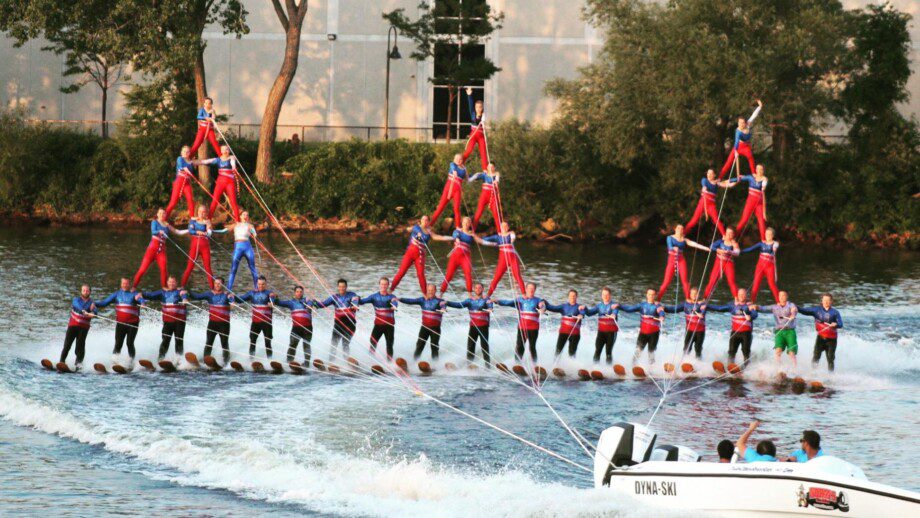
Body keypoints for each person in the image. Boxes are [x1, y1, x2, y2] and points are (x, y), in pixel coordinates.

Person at [132, 208, 186, 289]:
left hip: (161, 251)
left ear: (165, 215)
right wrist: (159, 231)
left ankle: (164, 288)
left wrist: (190, 230)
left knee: (164, 270)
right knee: (142, 269)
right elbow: (153, 231)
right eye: (160, 213)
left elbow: (178, 232)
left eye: (163, 213)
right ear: (157, 214)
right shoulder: (154, 222)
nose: (162, 215)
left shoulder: (167, 225)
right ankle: (133, 287)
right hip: (152, 250)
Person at [96, 278, 145, 364]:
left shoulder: (134, 294)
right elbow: (104, 303)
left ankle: (131, 362)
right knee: (118, 343)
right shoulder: (116, 294)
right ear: (121, 284)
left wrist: (142, 303)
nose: (125, 285)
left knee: (129, 343)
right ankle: (114, 362)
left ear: (129, 284)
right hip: (120, 324)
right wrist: (92, 303)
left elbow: (141, 299)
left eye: (126, 283)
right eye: (123, 283)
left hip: (133, 324)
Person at [446, 282, 494, 366]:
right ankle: (469, 364)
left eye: (480, 288)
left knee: (484, 346)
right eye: (476, 288)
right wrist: (448, 303)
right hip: (473, 327)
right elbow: (459, 305)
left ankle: (488, 365)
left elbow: (490, 305)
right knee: (470, 346)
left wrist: (490, 308)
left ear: (482, 289)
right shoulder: (469, 301)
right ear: (474, 289)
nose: (478, 289)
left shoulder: (486, 299)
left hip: (484, 327)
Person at [657, 224, 709, 301]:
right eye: (678, 228)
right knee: (666, 281)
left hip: (681, 260)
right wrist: (674, 248)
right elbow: (669, 246)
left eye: (682, 229)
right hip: (672, 259)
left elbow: (695, 244)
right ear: (675, 229)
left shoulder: (685, 240)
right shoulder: (670, 238)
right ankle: (658, 299)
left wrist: (706, 248)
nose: (680, 230)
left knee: (685, 281)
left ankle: (688, 299)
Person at [496, 282, 546, 362]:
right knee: (519, 346)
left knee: (532, 347)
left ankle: (535, 365)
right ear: (526, 289)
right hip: (522, 328)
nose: (531, 290)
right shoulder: (520, 300)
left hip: (533, 329)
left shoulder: (538, 300)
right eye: (529, 288)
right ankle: (517, 364)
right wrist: (496, 301)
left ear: (535, 290)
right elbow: (507, 303)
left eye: (533, 289)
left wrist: (542, 308)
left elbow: (542, 305)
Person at [142, 276, 189, 361]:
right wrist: (140, 295)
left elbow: (184, 295)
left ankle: (179, 360)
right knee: (165, 341)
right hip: (167, 322)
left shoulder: (180, 292)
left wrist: (185, 299)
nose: (171, 284)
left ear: (176, 283)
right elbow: (150, 295)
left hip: (179, 322)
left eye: (173, 282)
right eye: (170, 282)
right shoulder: (162, 293)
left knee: (179, 341)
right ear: (167, 283)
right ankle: (160, 359)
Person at [190, 276, 234, 363]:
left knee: (224, 344)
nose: (217, 285)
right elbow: (197, 297)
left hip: (224, 324)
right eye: (216, 283)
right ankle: (205, 360)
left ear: (223, 285)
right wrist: (187, 292)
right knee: (208, 343)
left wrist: (232, 302)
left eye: (219, 284)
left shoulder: (227, 295)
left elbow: (232, 301)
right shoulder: (209, 294)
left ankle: (226, 362)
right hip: (212, 324)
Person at [709, 288, 758, 365]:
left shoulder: (750, 306)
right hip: (735, 333)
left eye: (743, 294)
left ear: (746, 296)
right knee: (731, 351)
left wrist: (750, 317)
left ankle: (746, 368)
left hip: (746, 334)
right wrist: (706, 306)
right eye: (740, 294)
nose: (741, 296)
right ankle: (730, 366)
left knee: (745, 351)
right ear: (737, 296)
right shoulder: (732, 306)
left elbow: (755, 314)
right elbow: (719, 308)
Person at [400, 284, 448, 360]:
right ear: (427, 291)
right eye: (429, 290)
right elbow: (411, 301)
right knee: (419, 345)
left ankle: (435, 364)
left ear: (435, 291)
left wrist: (443, 309)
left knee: (434, 347)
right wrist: (399, 299)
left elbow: (443, 306)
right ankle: (415, 361)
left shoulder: (440, 301)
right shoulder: (422, 300)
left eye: (432, 290)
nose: (430, 292)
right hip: (424, 328)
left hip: (435, 329)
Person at [181, 205, 224, 289]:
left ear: (206, 213)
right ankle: (182, 286)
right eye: (200, 211)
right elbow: (190, 231)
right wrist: (197, 232)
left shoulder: (207, 222)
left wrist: (208, 229)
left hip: (205, 247)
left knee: (208, 268)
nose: (201, 213)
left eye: (204, 212)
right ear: (198, 212)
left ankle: (212, 288)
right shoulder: (193, 221)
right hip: (195, 246)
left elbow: (209, 233)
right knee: (189, 267)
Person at [719, 100, 763, 179]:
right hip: (738, 147)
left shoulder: (748, 125)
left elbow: (754, 115)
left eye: (742, 123)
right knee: (729, 162)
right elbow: (736, 142)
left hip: (746, 147)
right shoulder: (738, 131)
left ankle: (753, 173)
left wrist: (759, 107)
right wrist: (735, 151)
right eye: (739, 123)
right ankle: (719, 177)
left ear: (745, 123)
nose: (741, 124)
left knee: (750, 156)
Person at [317, 279, 360, 360]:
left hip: (350, 325)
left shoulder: (352, 295)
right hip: (338, 325)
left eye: (343, 286)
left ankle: (348, 363)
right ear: (338, 287)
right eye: (340, 286)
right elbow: (323, 304)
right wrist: (314, 303)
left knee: (345, 344)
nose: (342, 288)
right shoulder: (334, 297)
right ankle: (331, 363)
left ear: (346, 287)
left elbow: (355, 301)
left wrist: (354, 305)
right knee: (333, 344)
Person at [620, 289, 666, 364]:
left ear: (655, 296)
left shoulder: (658, 306)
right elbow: (629, 309)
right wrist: (619, 306)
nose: (651, 296)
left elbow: (661, 312)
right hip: (643, 333)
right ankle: (633, 366)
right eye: (649, 294)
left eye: (652, 294)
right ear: (647, 295)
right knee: (637, 351)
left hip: (654, 334)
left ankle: (652, 369)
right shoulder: (642, 305)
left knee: (651, 353)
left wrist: (662, 316)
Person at [357, 277, 399, 359]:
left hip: (389, 326)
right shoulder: (374, 297)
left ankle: (390, 362)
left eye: (385, 284)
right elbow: (362, 302)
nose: (383, 286)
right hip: (378, 325)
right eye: (382, 284)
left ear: (388, 285)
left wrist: (394, 306)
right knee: (372, 342)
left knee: (389, 345)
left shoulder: (392, 297)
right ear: (379, 285)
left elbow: (395, 302)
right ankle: (371, 360)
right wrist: (357, 299)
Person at [799, 294, 843, 372]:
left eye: (828, 300)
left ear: (831, 301)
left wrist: (835, 324)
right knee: (816, 356)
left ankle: (831, 376)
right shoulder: (816, 310)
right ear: (821, 301)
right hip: (820, 338)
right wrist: (793, 306)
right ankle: (813, 372)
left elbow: (841, 324)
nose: (826, 302)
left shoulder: (835, 312)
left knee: (830, 358)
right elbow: (803, 311)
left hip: (831, 340)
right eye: (824, 300)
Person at [391, 216, 435, 292]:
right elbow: (413, 230)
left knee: (421, 275)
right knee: (401, 272)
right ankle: (391, 290)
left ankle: (425, 294)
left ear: (428, 222)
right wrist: (418, 234)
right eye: (423, 220)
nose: (425, 221)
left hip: (420, 255)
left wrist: (451, 238)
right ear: (420, 221)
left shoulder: (429, 232)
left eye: (426, 220)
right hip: (410, 254)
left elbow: (437, 237)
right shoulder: (416, 227)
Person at [482, 221, 527, 297]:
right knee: (496, 278)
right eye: (502, 226)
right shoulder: (498, 237)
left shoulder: (511, 234)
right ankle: (488, 295)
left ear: (508, 227)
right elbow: (486, 239)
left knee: (517, 276)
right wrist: (477, 238)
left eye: (506, 226)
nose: (504, 228)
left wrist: (511, 240)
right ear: (500, 228)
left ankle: (524, 294)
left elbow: (513, 237)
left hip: (513, 259)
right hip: (503, 260)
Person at [275, 285, 318, 363]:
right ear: (294, 293)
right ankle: (289, 362)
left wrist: (310, 305)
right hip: (296, 328)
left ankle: (307, 363)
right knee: (292, 345)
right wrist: (275, 297)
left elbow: (311, 302)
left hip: (307, 328)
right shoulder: (291, 303)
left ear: (303, 293)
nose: (299, 293)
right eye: (297, 292)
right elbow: (279, 303)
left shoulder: (307, 300)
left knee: (306, 345)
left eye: (301, 292)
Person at [60, 284, 98, 370]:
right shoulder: (76, 300)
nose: (85, 292)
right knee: (67, 345)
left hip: (83, 329)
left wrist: (93, 313)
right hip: (73, 326)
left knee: (79, 348)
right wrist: (83, 310)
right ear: (81, 291)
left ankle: (78, 365)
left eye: (87, 290)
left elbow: (95, 310)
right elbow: (77, 305)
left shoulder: (92, 303)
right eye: (84, 290)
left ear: (90, 292)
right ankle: (61, 362)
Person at [664, 286, 708, 359]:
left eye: (695, 294)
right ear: (690, 294)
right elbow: (675, 309)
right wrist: (664, 308)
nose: (694, 295)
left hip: (700, 332)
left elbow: (703, 312)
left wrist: (700, 309)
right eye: (692, 293)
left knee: (698, 349)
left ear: (698, 295)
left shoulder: (702, 304)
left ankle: (699, 363)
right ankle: (684, 361)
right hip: (689, 331)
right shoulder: (686, 304)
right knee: (686, 348)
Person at [685, 169, 732, 236]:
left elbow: (727, 184)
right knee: (694, 220)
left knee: (717, 220)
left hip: (711, 205)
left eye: (711, 173)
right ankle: (684, 233)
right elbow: (704, 184)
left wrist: (736, 181)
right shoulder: (705, 180)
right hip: (703, 203)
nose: (709, 175)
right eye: (708, 173)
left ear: (714, 175)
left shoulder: (717, 183)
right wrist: (704, 187)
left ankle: (724, 235)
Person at [238, 276, 277, 358]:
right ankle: (251, 359)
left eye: (263, 284)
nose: (261, 286)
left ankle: (270, 360)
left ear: (265, 284)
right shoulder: (252, 293)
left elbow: (273, 299)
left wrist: (272, 303)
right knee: (252, 341)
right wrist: (231, 296)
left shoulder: (270, 293)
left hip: (267, 323)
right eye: (259, 284)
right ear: (257, 284)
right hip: (255, 323)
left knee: (268, 342)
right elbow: (240, 299)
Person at [200, 145, 241, 221]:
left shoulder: (232, 158)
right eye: (223, 150)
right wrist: (193, 162)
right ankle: (209, 219)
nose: (225, 151)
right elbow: (206, 161)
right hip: (220, 183)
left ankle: (238, 221)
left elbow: (233, 163)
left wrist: (234, 167)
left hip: (230, 183)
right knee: (214, 201)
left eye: (227, 149)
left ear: (229, 151)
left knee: (233, 201)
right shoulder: (218, 160)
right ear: (221, 151)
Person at [758, 291, 798, 368]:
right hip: (779, 332)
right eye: (780, 296)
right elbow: (763, 308)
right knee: (778, 351)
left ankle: (795, 369)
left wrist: (793, 315)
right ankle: (778, 369)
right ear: (778, 297)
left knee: (791, 352)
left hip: (790, 331)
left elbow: (794, 309)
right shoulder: (775, 307)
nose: (782, 297)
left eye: (784, 295)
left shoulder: (791, 305)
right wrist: (756, 307)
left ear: (787, 297)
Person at [730, 164, 769, 241]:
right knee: (744, 220)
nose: (759, 171)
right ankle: (733, 237)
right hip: (750, 202)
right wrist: (729, 180)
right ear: (756, 169)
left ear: (763, 171)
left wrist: (764, 185)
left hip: (759, 204)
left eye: (761, 169)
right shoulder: (751, 177)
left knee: (761, 221)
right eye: (757, 168)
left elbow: (764, 186)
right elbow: (738, 179)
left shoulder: (764, 179)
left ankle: (763, 240)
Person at [440, 217, 477, 296]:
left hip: (465, 256)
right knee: (449, 275)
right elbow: (454, 235)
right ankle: (441, 293)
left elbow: (477, 240)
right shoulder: (457, 231)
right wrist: (457, 239)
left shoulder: (471, 234)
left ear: (470, 224)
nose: (466, 224)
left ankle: (470, 295)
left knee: (468, 274)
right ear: (462, 223)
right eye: (465, 222)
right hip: (455, 256)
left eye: (468, 223)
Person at [544, 290, 587, 358]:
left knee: (571, 353)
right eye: (570, 296)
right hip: (563, 333)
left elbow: (583, 312)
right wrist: (543, 301)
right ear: (568, 296)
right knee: (558, 351)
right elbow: (551, 308)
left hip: (574, 334)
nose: (572, 297)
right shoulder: (563, 306)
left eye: (574, 296)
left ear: (576, 297)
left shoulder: (579, 307)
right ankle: (555, 366)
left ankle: (571, 366)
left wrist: (581, 315)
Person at [742, 227, 780, 303]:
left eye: (769, 234)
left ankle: (778, 302)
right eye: (766, 234)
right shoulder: (761, 244)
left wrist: (774, 249)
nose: (767, 236)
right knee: (755, 284)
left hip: (769, 267)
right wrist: (741, 251)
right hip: (760, 267)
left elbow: (775, 247)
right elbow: (751, 249)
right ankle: (752, 301)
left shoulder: (775, 243)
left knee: (772, 284)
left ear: (772, 235)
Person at [430, 154, 469, 226]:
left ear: (462, 160)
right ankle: (430, 224)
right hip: (448, 189)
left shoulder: (464, 169)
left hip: (457, 191)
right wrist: (454, 171)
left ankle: (458, 227)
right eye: (457, 159)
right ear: (454, 159)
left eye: (460, 159)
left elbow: (468, 178)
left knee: (457, 209)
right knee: (440, 207)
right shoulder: (452, 164)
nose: (458, 161)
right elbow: (452, 167)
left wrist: (477, 176)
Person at [225, 211, 259, 292]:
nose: (245, 216)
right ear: (240, 216)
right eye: (244, 214)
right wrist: (212, 231)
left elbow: (254, 233)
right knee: (233, 269)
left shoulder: (250, 225)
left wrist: (254, 233)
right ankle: (228, 289)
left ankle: (257, 288)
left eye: (247, 215)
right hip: (238, 247)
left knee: (253, 268)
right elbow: (224, 231)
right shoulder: (236, 225)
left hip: (247, 247)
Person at [703, 227, 741, 300]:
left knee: (731, 281)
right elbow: (711, 246)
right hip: (719, 261)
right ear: (725, 233)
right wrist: (718, 250)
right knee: (712, 280)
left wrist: (730, 252)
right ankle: (704, 298)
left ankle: (736, 299)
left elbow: (737, 252)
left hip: (728, 263)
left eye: (731, 233)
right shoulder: (720, 241)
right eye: (727, 233)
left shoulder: (734, 244)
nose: (729, 235)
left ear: (733, 235)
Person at [585, 287, 620, 364]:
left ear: (610, 295)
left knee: (608, 352)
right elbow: (589, 313)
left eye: (607, 295)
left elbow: (615, 311)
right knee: (597, 350)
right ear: (601, 295)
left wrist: (614, 314)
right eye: (603, 295)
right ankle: (595, 368)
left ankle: (609, 369)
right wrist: (584, 308)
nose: (605, 296)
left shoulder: (614, 305)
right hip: (601, 333)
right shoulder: (599, 306)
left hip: (611, 333)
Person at [165, 145, 197, 219]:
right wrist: (188, 171)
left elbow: (202, 162)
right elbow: (182, 166)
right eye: (184, 151)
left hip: (187, 183)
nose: (185, 153)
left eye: (187, 151)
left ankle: (192, 218)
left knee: (190, 200)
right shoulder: (180, 159)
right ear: (181, 152)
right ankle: (164, 218)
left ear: (189, 153)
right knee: (173, 202)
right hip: (179, 181)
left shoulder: (191, 162)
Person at [462, 87, 489, 170]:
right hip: (473, 135)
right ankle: (460, 162)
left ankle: (485, 170)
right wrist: (469, 95)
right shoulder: (473, 113)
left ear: (482, 108)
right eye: (477, 107)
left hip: (481, 136)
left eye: (480, 107)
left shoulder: (484, 115)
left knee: (483, 153)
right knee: (469, 150)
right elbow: (470, 104)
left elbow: (484, 124)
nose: (478, 108)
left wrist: (483, 120)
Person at [469, 163, 501, 232]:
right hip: (484, 196)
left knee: (496, 213)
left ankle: (500, 232)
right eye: (489, 166)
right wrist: (468, 177)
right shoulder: (484, 175)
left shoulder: (496, 174)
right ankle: (473, 230)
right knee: (479, 212)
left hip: (493, 196)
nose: (490, 168)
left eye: (492, 167)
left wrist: (496, 181)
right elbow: (475, 177)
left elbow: (497, 180)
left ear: (494, 168)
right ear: (487, 167)